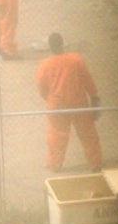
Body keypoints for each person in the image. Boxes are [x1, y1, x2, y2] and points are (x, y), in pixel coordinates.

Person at [36, 33, 103, 172]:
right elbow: (87, 80)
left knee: (56, 135)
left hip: (57, 105)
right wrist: (94, 97)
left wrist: (50, 99)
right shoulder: (76, 60)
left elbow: (42, 87)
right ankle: (95, 163)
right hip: (78, 103)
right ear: (62, 44)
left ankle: (55, 164)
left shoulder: (45, 65)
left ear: (50, 46)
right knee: (88, 134)